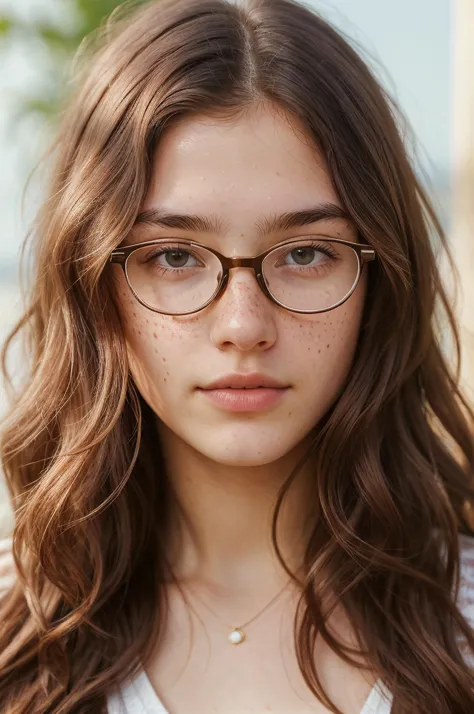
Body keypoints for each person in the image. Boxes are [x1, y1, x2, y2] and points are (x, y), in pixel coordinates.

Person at [0, 0, 473, 711]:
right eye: (175, 256)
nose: (243, 325)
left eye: (307, 253)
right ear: (93, 282)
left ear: (381, 277)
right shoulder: (19, 633)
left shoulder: (462, 618)